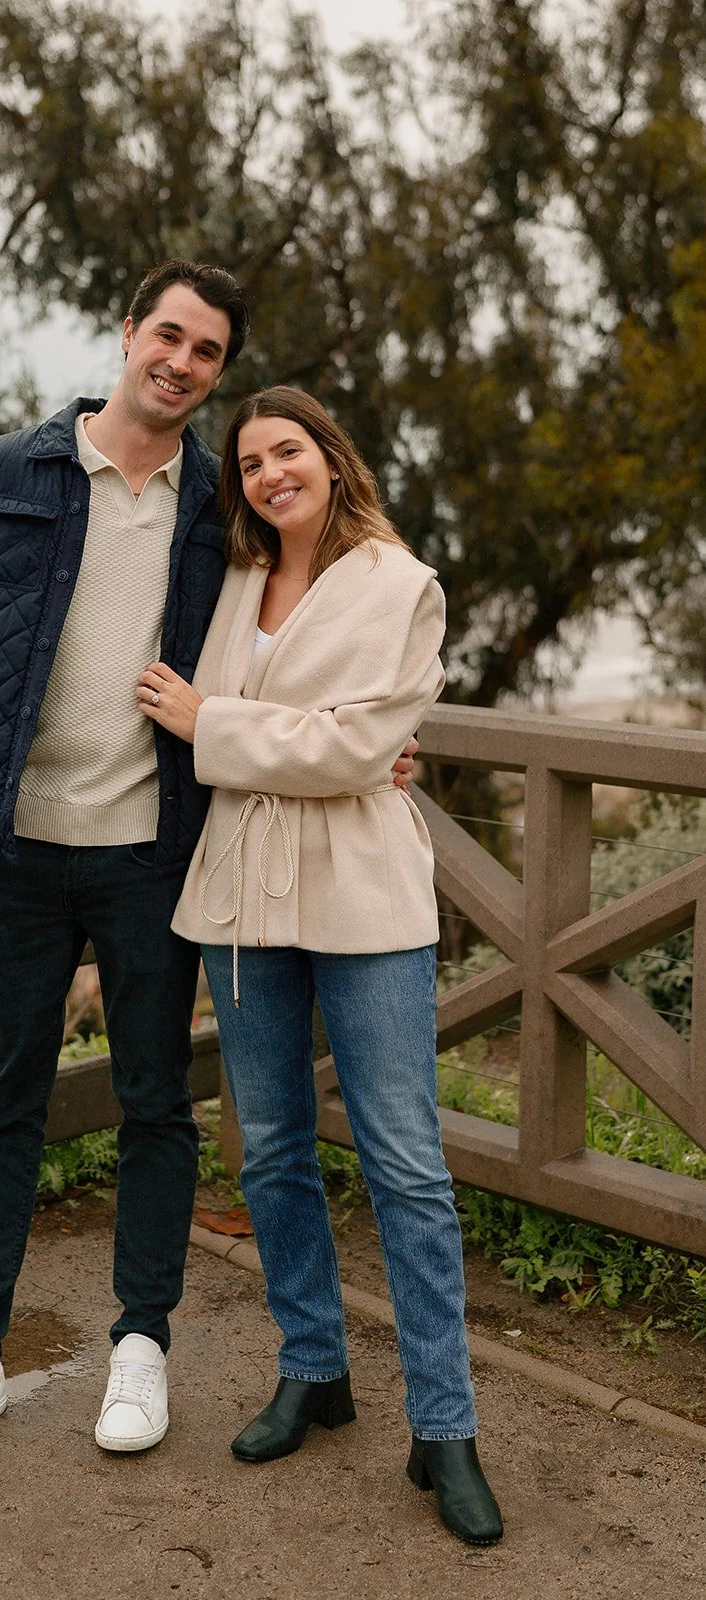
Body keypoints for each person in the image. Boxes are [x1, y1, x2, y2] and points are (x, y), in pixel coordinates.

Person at [0, 259, 249, 1462]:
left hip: (150, 854)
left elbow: (298, 626)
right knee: (3, 1105)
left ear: (217, 372)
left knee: (155, 1103)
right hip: (14, 855)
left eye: (206, 351)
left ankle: (140, 1347)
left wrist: (377, 735)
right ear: (128, 331)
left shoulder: (222, 506)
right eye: (169, 335)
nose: (181, 362)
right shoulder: (4, 473)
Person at [136, 386, 503, 1546]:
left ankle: (443, 1426)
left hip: (363, 896)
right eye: (249, 462)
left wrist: (213, 723)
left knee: (404, 1164)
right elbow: (320, 740)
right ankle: (312, 1367)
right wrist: (278, 737)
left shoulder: (400, 585)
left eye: (285, 451)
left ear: (330, 458)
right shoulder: (233, 581)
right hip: (241, 893)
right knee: (273, 1148)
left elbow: (354, 748)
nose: (268, 474)